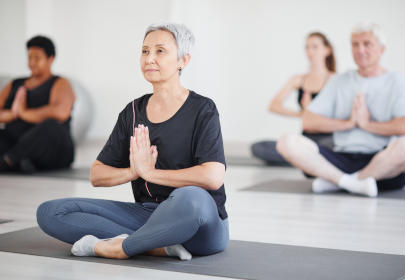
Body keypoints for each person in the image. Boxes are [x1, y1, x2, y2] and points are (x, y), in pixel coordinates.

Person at [37, 23, 229, 261]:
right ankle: (156, 246)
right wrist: (133, 171)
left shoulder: (202, 109)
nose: (149, 59)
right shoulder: (132, 112)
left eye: (160, 51)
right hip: (147, 214)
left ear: (183, 61)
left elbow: (212, 177)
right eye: (145, 51)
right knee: (51, 212)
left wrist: (150, 172)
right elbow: (97, 175)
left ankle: (119, 248)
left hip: (199, 223)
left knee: (191, 196)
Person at [276, 22, 405, 197]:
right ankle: (353, 182)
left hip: (381, 161)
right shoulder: (339, 81)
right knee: (286, 141)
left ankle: (340, 182)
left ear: (381, 49)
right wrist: (349, 123)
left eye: (367, 44)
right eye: (355, 45)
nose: (360, 50)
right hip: (341, 158)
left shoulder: (397, 82)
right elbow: (308, 120)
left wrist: (366, 124)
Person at [251, 32, 335, 165]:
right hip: (305, 139)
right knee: (259, 147)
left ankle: (305, 159)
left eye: (315, 47)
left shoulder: (335, 80)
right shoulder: (298, 79)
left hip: (328, 140)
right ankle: (303, 159)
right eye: (307, 47)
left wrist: (311, 113)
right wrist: (302, 114)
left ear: (327, 50)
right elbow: (274, 105)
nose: (310, 52)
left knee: (329, 150)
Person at [0, 35, 75, 173]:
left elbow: (60, 112)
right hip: (19, 142)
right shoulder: (15, 84)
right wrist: (13, 113)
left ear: (50, 59)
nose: (32, 63)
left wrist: (22, 113)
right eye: (29, 58)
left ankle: (8, 160)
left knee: (50, 126)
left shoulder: (60, 83)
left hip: (53, 149)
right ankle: (19, 162)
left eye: (37, 58)